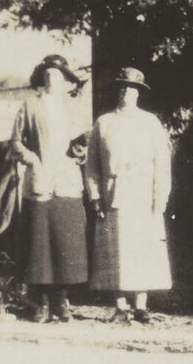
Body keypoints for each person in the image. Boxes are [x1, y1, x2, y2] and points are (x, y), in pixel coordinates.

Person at [84, 67, 173, 320]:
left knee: (142, 247)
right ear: (117, 91)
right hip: (113, 192)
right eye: (122, 86)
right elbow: (91, 165)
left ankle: (141, 305)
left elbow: (162, 163)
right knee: (116, 249)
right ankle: (121, 305)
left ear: (138, 93)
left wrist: (160, 196)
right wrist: (95, 196)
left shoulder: (150, 122)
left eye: (132, 88)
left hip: (142, 194)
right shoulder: (104, 122)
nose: (126, 92)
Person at [10, 54, 90, 321]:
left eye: (56, 74)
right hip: (41, 180)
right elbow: (16, 142)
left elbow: (82, 146)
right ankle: (41, 303)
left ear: (66, 80)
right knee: (40, 243)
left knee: (66, 242)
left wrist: (80, 151)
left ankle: (63, 301)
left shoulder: (73, 107)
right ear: (41, 78)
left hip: (66, 182)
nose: (51, 78)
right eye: (47, 74)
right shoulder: (31, 105)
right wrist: (31, 159)